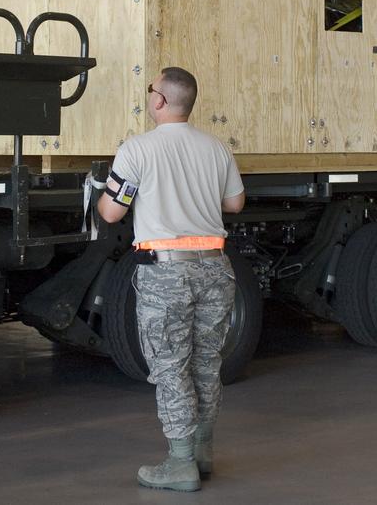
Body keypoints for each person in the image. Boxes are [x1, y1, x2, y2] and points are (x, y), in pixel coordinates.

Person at [97, 67, 246, 492]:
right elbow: (235, 203)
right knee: (205, 362)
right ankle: (202, 453)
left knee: (171, 366)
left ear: (160, 100)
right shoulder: (216, 148)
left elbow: (112, 212)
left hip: (168, 273)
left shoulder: (136, 150)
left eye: (150, 90)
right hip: (215, 267)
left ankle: (180, 463)